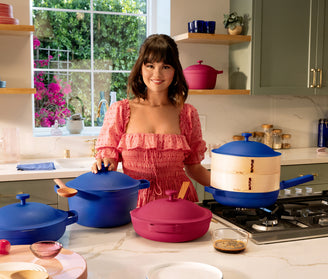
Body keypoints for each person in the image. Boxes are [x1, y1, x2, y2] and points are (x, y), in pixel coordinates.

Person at [91, 34, 210, 207]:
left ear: (175, 70)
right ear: (141, 68)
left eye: (166, 67)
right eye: (150, 66)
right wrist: (104, 163)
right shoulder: (120, 111)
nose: (157, 74)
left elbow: (194, 168)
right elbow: (109, 159)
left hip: (179, 202)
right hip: (134, 203)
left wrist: (232, 186)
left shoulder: (187, 113)